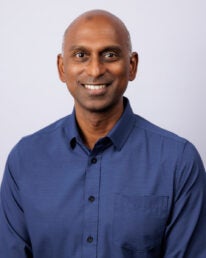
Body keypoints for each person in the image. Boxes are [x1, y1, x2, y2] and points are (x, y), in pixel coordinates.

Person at [0, 9, 206, 258]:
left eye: (110, 54)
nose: (96, 70)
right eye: (81, 55)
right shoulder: (24, 160)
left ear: (132, 66)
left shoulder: (179, 161)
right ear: (62, 67)